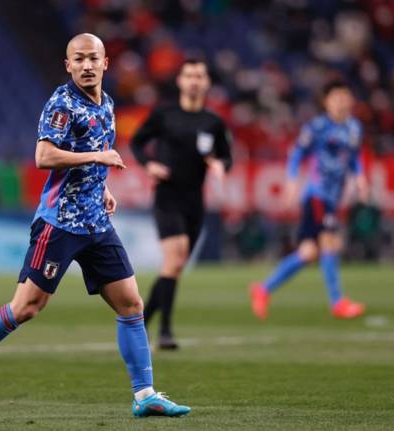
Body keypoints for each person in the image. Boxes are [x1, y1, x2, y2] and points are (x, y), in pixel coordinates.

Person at [0, 33, 191, 418]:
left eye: (93, 58)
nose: (87, 65)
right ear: (68, 65)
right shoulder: (61, 103)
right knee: (26, 307)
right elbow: (44, 156)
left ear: (106, 64)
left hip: (96, 223)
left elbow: (91, 160)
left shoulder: (106, 104)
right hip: (59, 224)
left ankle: (145, 396)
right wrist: (99, 157)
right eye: (79, 59)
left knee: (131, 304)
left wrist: (102, 186)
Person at [130, 58, 232, 349]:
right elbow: (138, 142)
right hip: (167, 196)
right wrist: (149, 164)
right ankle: (165, 333)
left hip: (194, 201)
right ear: (180, 81)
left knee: (174, 267)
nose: (194, 81)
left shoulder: (213, 122)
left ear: (207, 83)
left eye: (200, 76)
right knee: (174, 260)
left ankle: (141, 323)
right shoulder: (165, 114)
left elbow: (226, 156)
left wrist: (221, 166)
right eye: (189, 75)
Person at [249, 80, 368, 320]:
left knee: (308, 252)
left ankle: (263, 289)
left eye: (345, 97)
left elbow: (354, 156)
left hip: (333, 198)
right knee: (330, 242)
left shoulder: (355, 128)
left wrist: (360, 177)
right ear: (326, 102)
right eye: (336, 98)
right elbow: (297, 154)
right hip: (317, 195)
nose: (342, 102)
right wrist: (292, 182)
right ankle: (338, 303)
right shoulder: (317, 127)